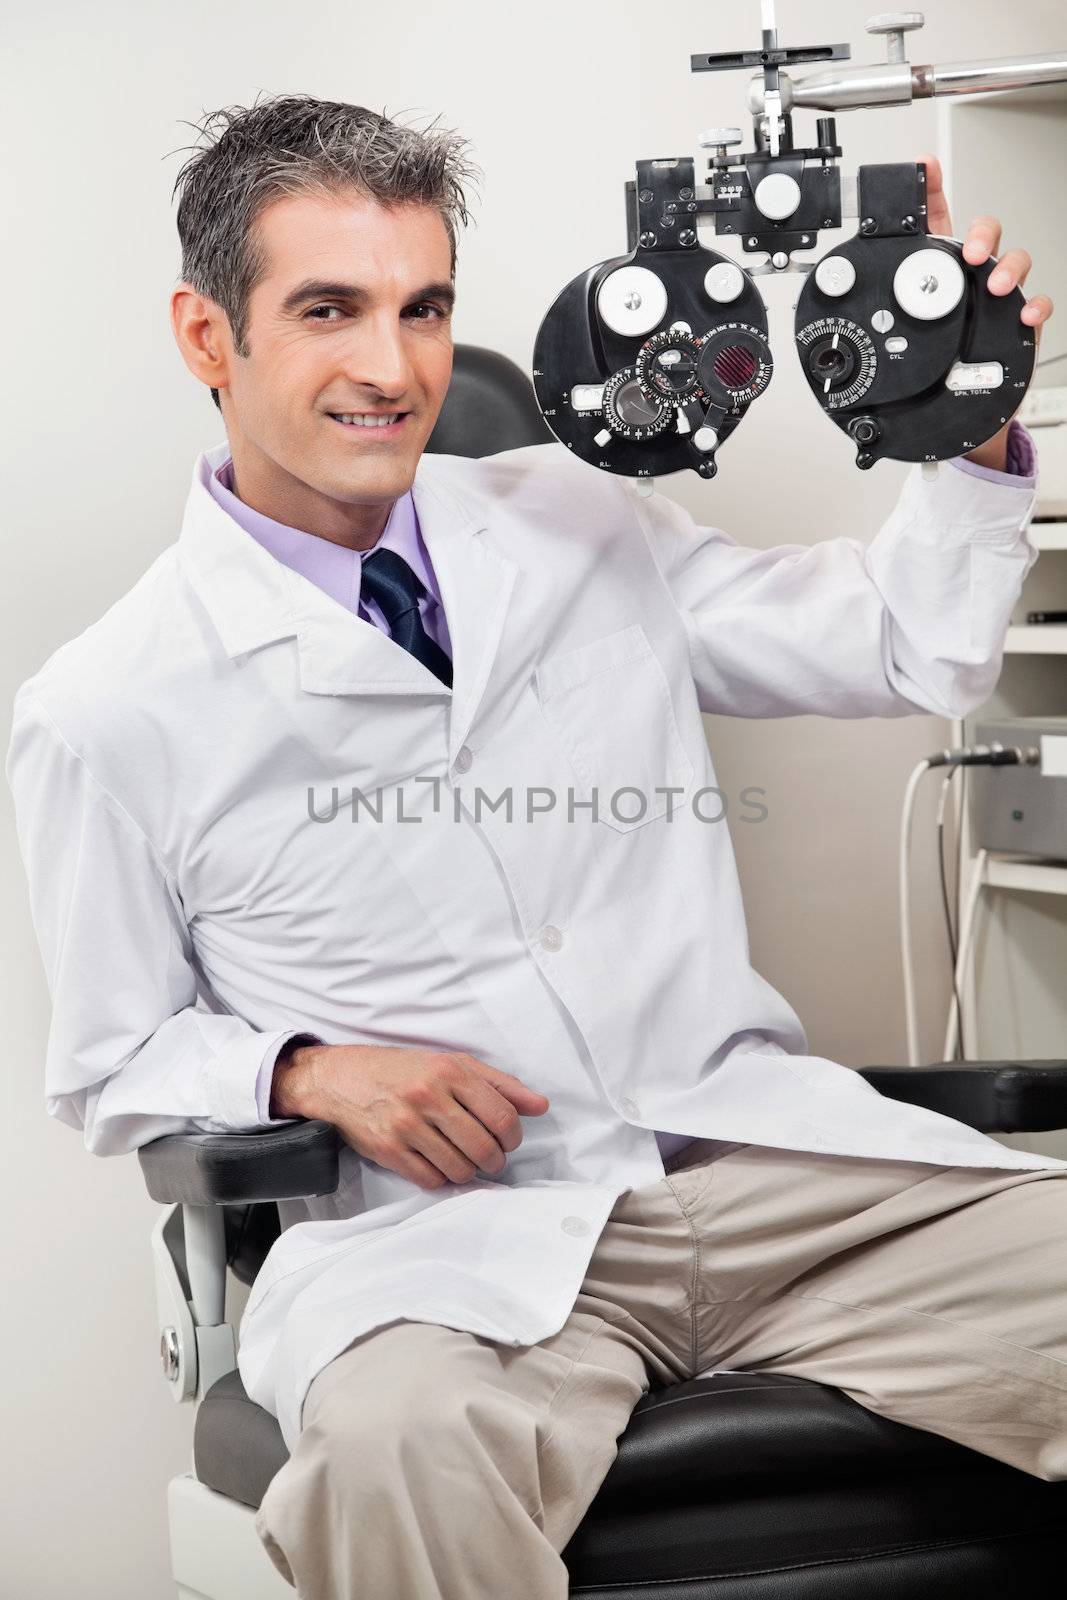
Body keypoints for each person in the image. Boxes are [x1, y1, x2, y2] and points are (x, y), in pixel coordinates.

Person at [7, 94, 1066, 1600]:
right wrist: (303, 1071)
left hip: (762, 1173)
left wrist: (964, 438)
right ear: (206, 335)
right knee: (394, 1458)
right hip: (452, 1252)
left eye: (424, 307)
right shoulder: (108, 707)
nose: (393, 367)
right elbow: (111, 1064)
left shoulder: (578, 520)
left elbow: (907, 647)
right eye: (329, 310)